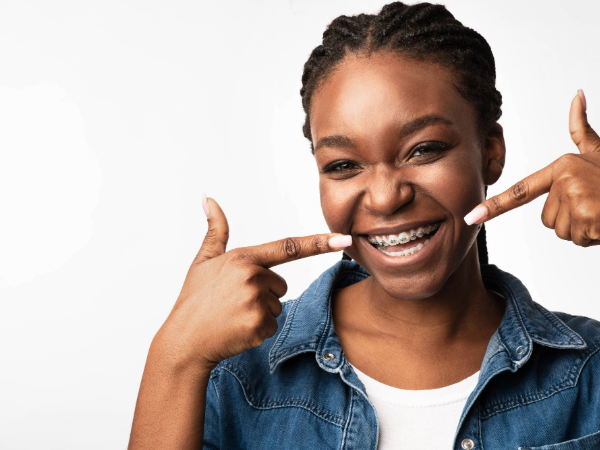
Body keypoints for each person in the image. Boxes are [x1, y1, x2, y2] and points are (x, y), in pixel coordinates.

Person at [128, 2, 600, 449]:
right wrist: (175, 356)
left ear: (491, 151)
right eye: (343, 166)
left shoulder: (590, 370)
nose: (385, 197)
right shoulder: (231, 373)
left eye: (424, 149)